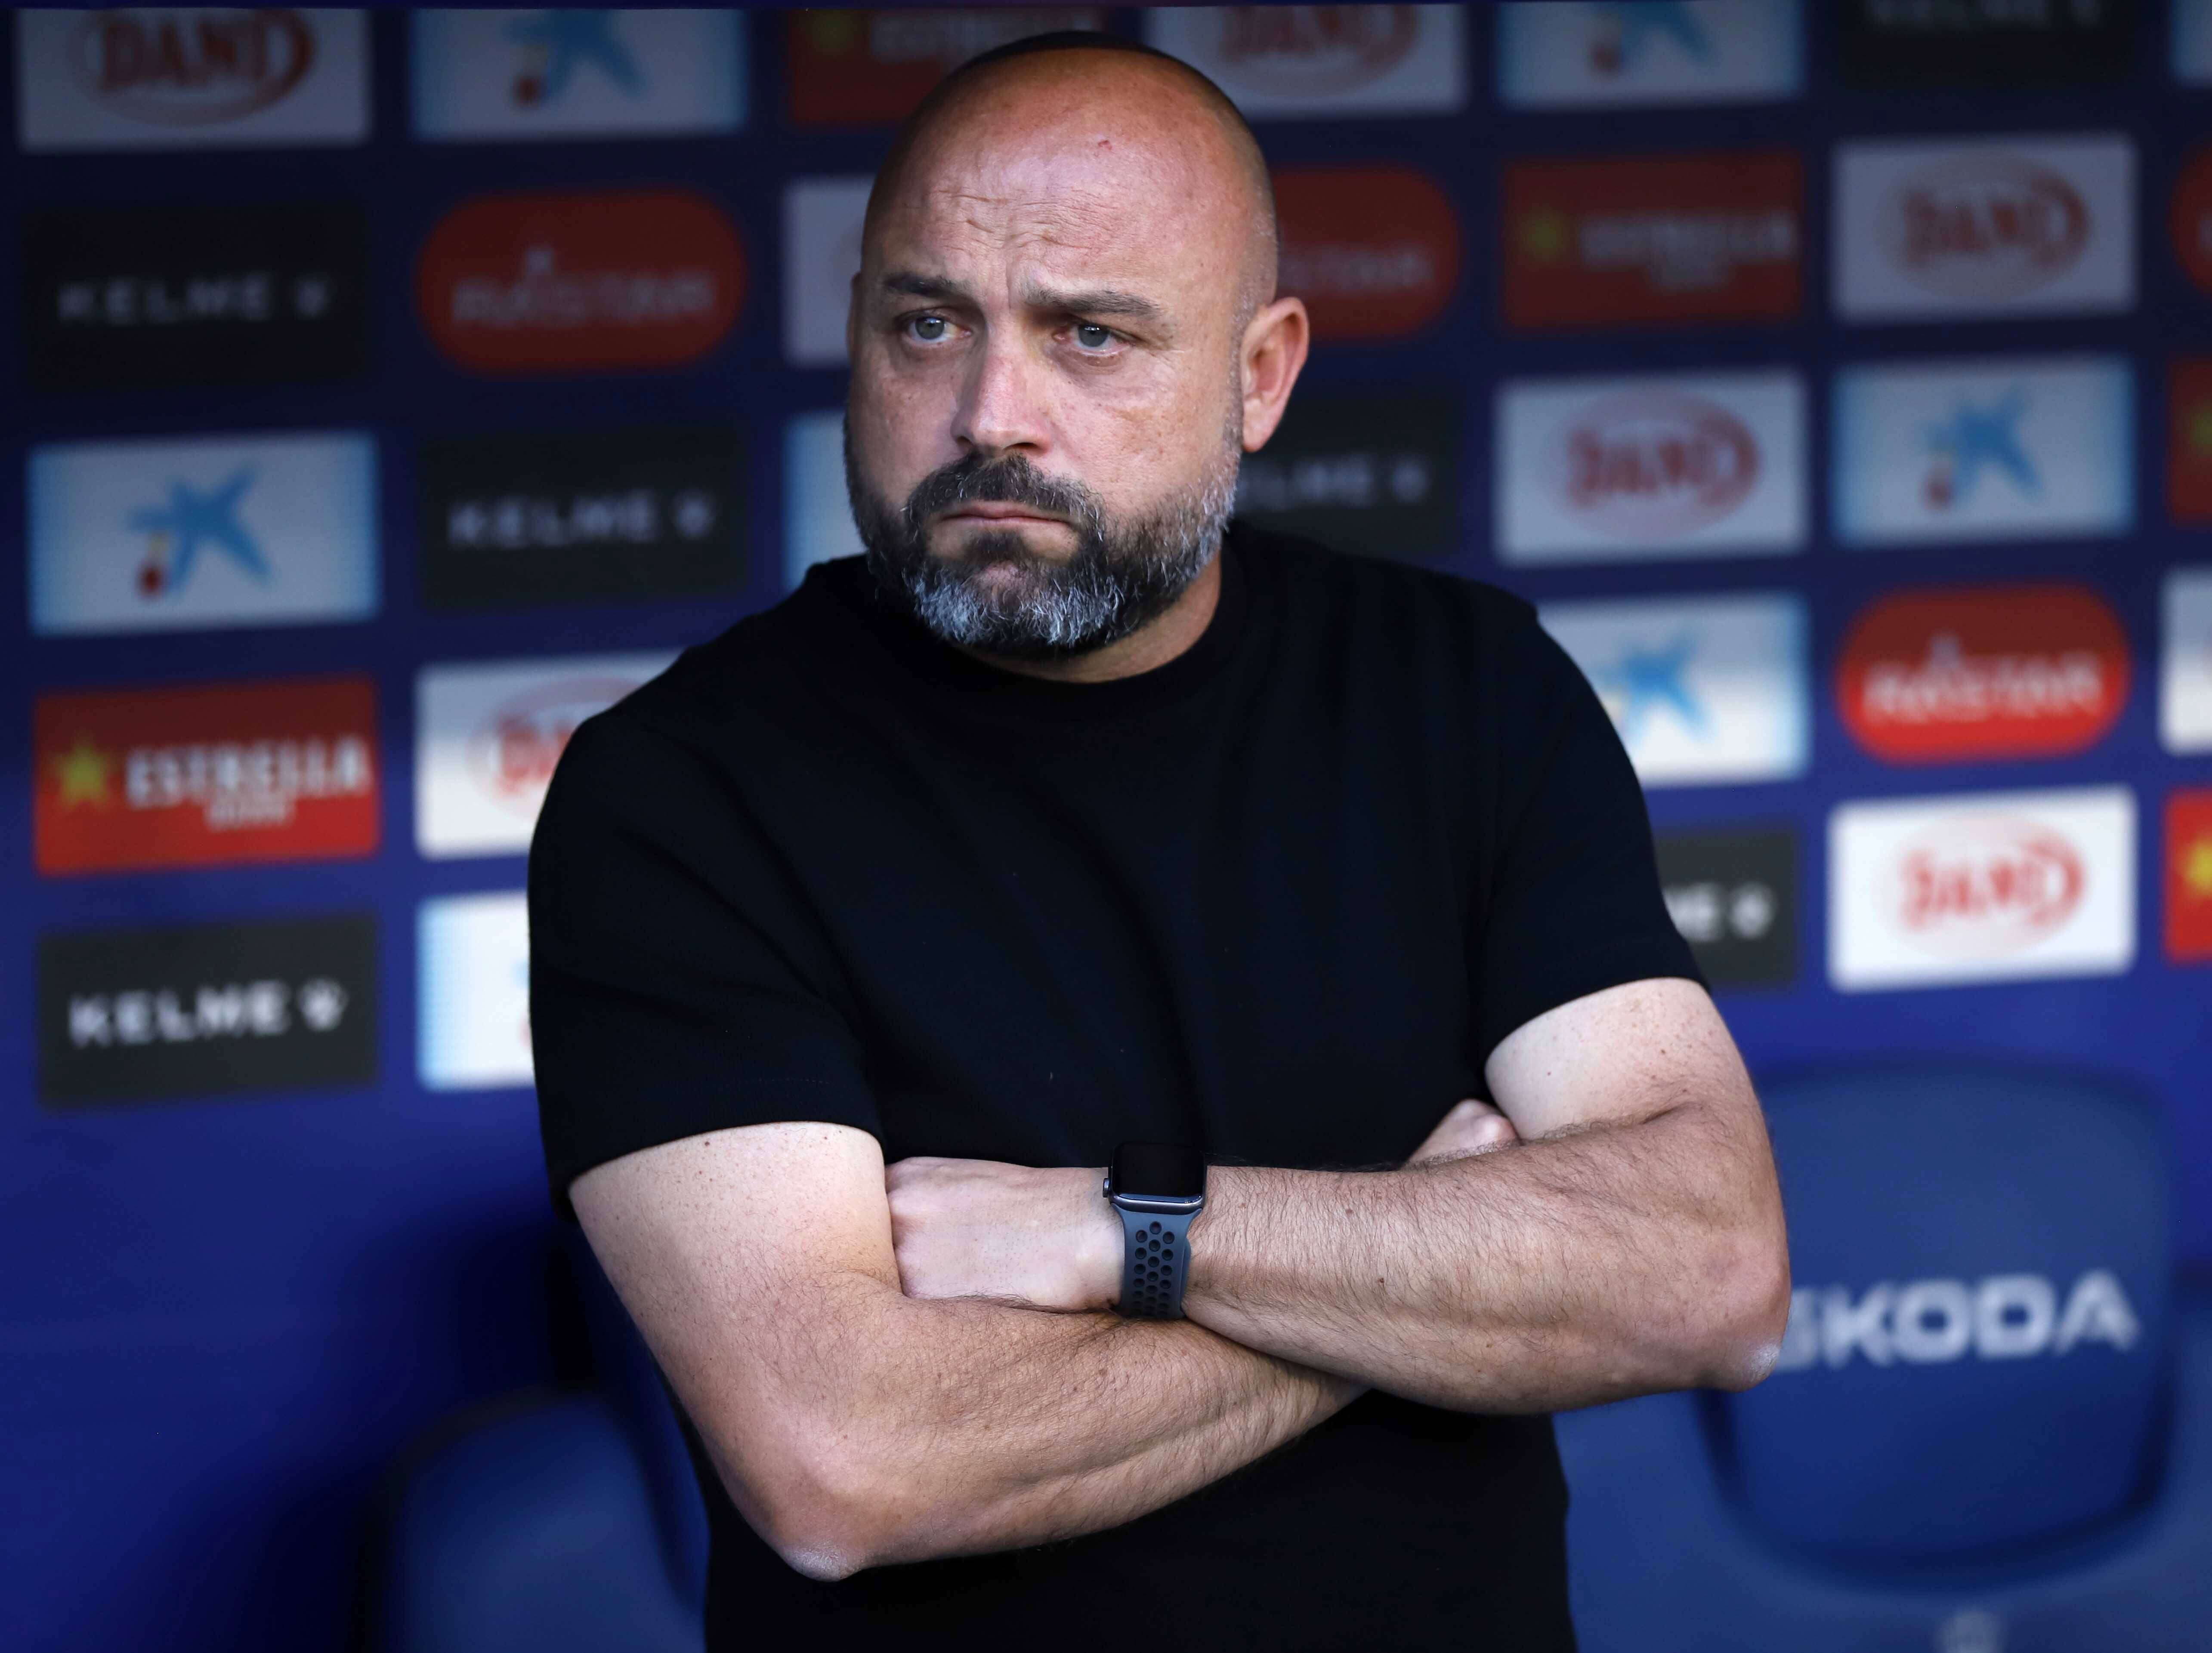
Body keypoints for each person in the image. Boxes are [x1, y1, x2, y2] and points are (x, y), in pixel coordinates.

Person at [529, 31, 1789, 1651]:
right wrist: (1423, 1260)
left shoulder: (1464, 690)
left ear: (1259, 375)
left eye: (1091, 336)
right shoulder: (678, 796)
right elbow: (847, 1462)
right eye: (927, 324)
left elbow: (1708, 1271)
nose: (993, 415)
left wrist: (1120, 1234)